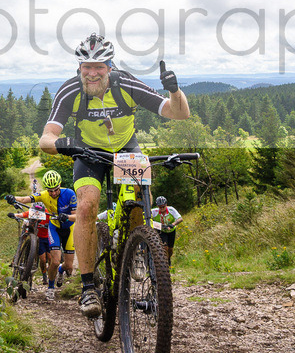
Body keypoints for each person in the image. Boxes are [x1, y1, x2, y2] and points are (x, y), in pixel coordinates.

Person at [40, 33, 190, 318]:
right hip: (88, 152)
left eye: (99, 66)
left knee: (139, 198)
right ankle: (88, 287)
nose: (92, 73)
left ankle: (136, 248)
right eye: (87, 66)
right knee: (86, 207)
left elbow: (179, 113)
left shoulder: (126, 84)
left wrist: (174, 91)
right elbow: (46, 137)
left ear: (110, 67)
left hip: (125, 148)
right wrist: (61, 144)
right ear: (79, 68)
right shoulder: (70, 90)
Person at [5, 193, 67, 301]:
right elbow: (23, 215)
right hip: (40, 239)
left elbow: (55, 221)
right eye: (35, 213)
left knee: (51, 259)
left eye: (39, 214)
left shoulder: (47, 214)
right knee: (42, 259)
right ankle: (44, 275)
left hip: (49, 238)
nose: (37, 216)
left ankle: (51, 276)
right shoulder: (31, 212)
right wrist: (14, 215)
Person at [150, 196, 183, 262]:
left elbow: (180, 219)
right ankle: (165, 262)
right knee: (164, 247)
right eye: (160, 207)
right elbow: (147, 219)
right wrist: (158, 225)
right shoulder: (154, 211)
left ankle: (168, 259)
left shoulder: (171, 210)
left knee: (170, 249)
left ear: (166, 205)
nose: (162, 208)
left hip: (171, 231)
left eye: (163, 206)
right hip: (161, 231)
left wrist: (173, 224)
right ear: (157, 206)